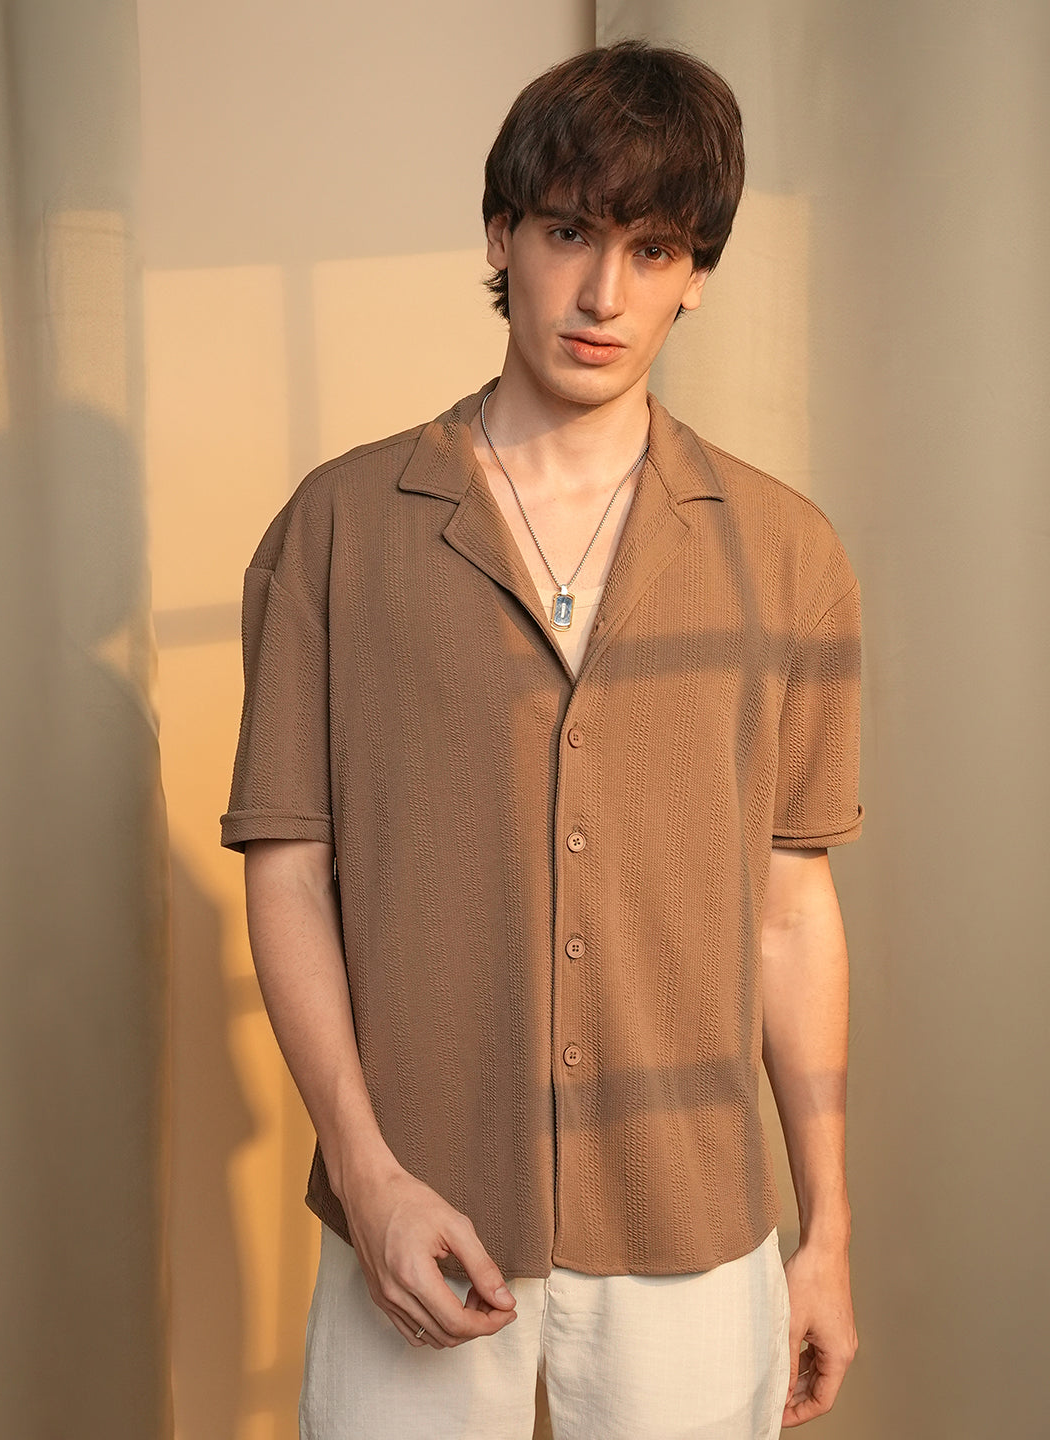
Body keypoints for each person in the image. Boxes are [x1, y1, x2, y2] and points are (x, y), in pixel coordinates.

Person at [220, 38, 863, 1440]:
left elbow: (790, 909)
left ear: (697, 273)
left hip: (694, 1221)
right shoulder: (336, 530)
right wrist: (366, 1173)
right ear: (500, 235)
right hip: (418, 1202)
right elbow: (289, 874)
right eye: (570, 232)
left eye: (653, 249)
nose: (603, 293)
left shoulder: (787, 554)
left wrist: (825, 1230)